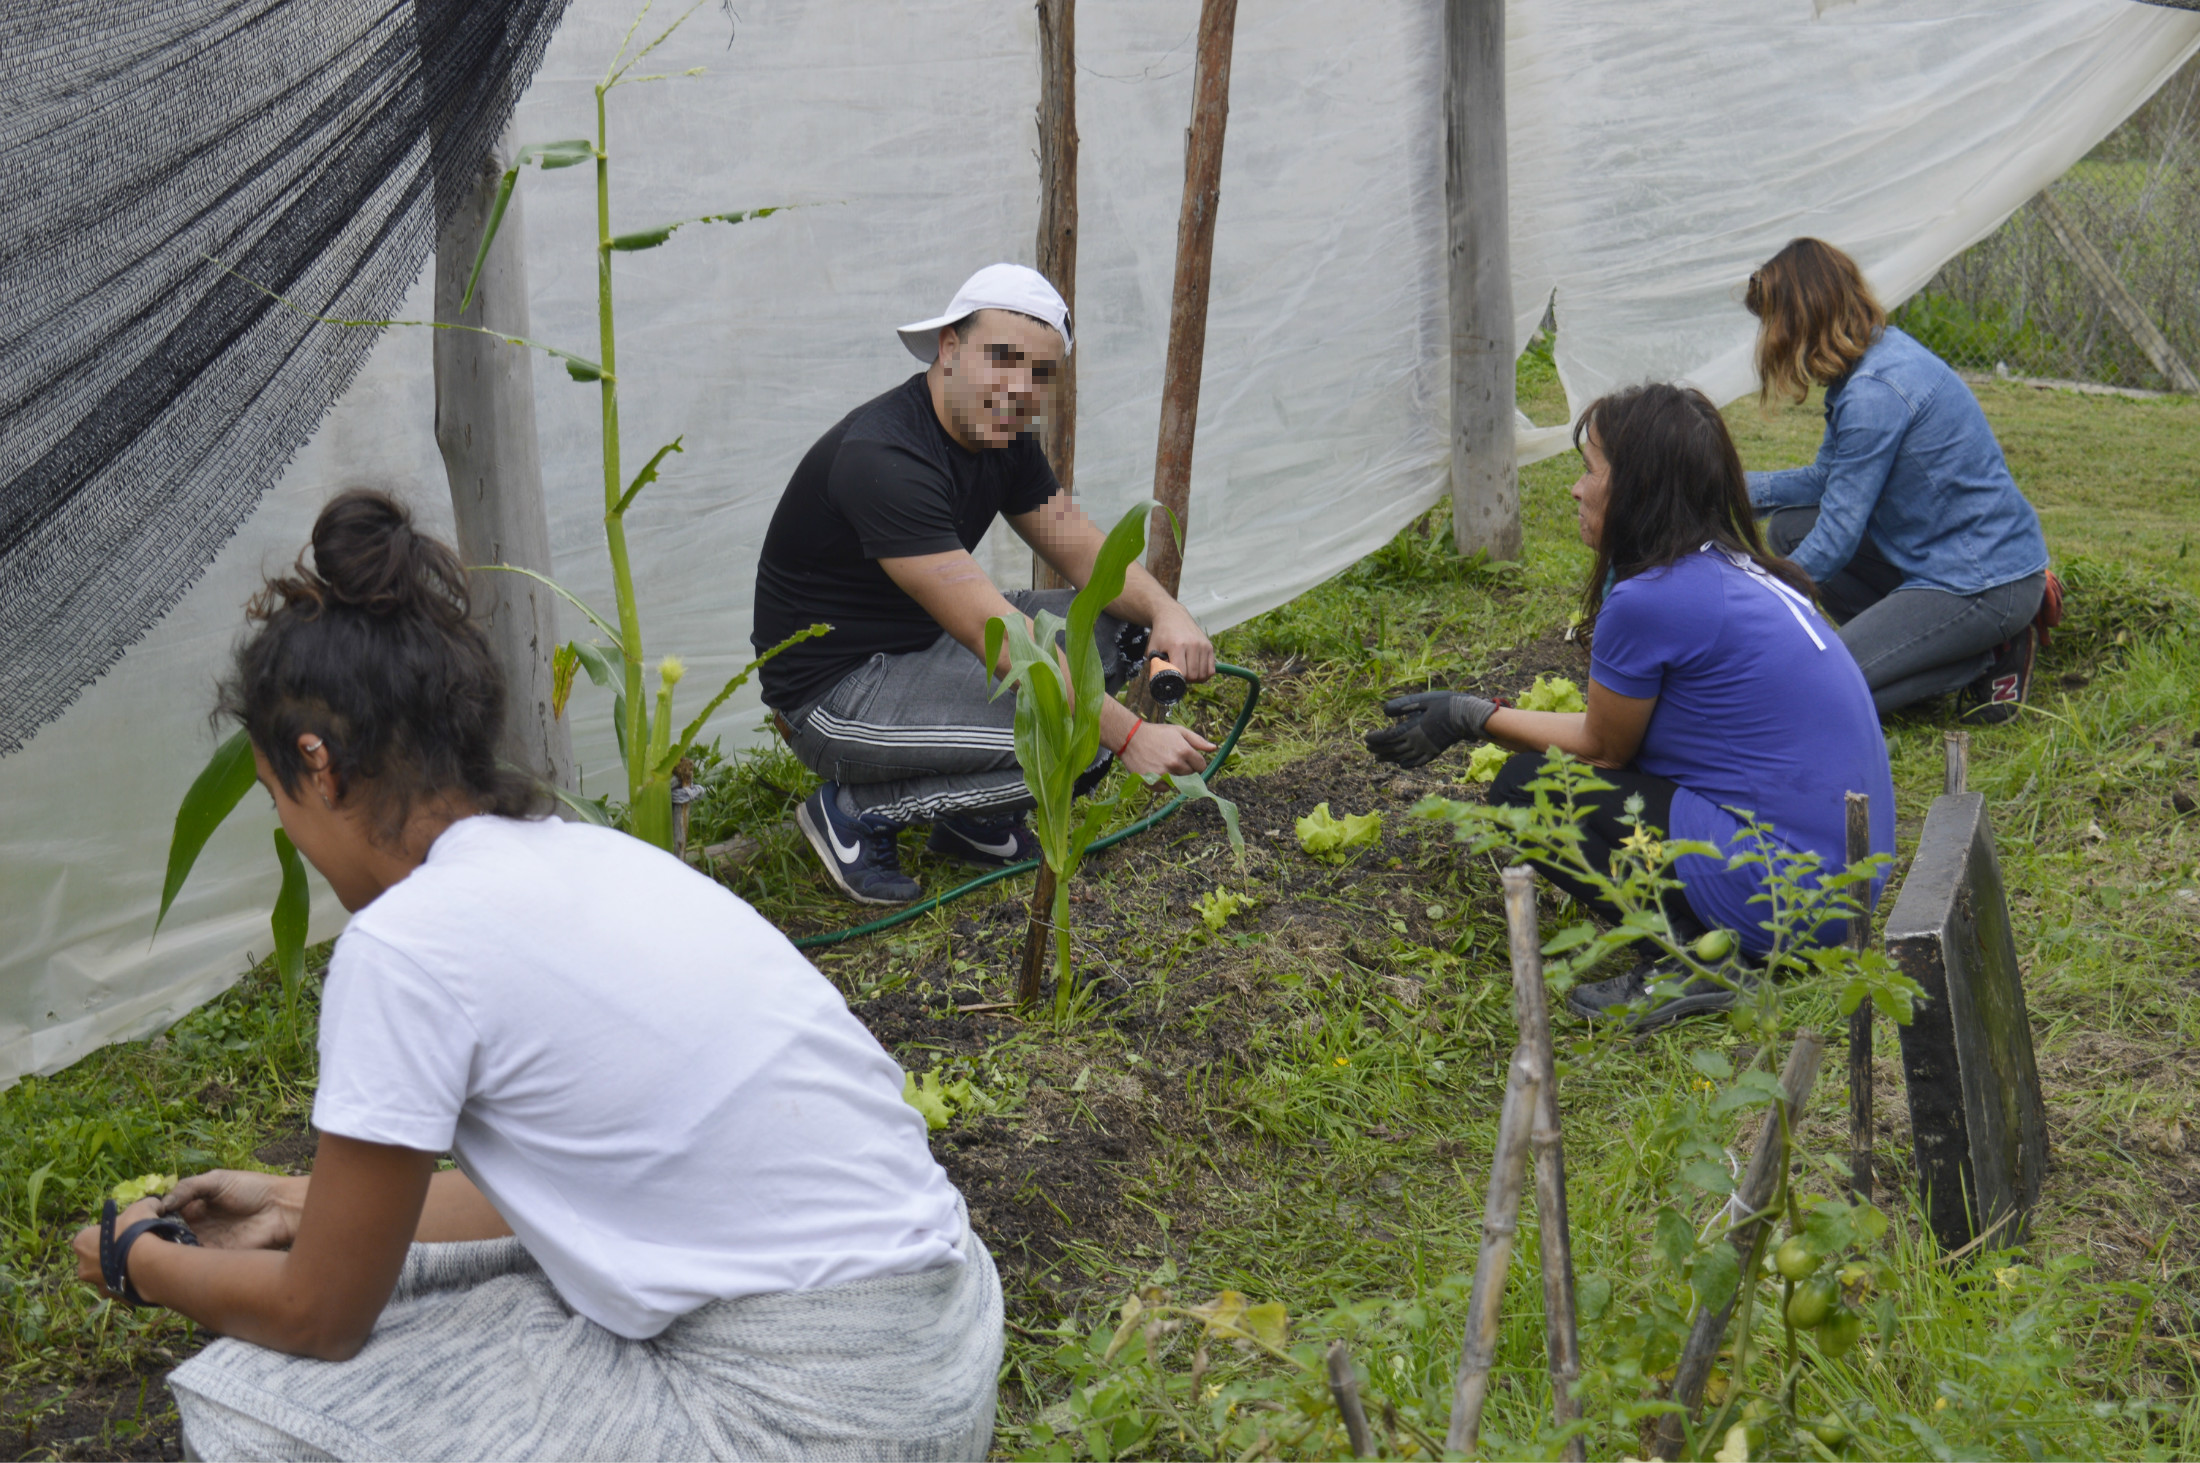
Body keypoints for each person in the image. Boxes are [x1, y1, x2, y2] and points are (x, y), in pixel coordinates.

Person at [75, 492, 1002, 1461]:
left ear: (318, 764)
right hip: (938, 1346)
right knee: (497, 1262)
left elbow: (320, 1315)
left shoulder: (406, 943)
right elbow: (589, 1189)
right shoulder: (594, 858)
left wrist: (142, 1262)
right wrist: (291, 1201)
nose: (295, 835)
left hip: (812, 1417)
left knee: (252, 1405)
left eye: (280, 801)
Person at [1366, 383, 1895, 1031]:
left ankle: (1695, 960)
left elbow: (1603, 749)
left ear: (1639, 487)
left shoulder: (1653, 598)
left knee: (1528, 791)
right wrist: (1478, 713)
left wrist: (1471, 717)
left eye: (1590, 470)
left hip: (1791, 896)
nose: (1575, 490)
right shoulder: (1734, 569)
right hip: (1845, 890)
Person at [752, 263, 1217, 905]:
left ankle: (973, 820)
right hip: (836, 695)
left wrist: (1168, 612)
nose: (1020, 388)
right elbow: (991, 632)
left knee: (1123, 628)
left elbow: (1086, 554)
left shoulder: (1002, 438)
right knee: (1078, 745)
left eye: (1041, 372)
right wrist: (1130, 735)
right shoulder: (884, 459)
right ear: (949, 349)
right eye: (1003, 358)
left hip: (923, 645)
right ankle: (853, 812)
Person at [1743, 237, 2053, 723]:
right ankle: (1914, 650)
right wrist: (1731, 488)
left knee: (1818, 693)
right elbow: (1827, 479)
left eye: (1772, 323)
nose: (1769, 339)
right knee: (1790, 529)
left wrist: (1754, 602)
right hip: (1939, 557)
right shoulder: (1875, 355)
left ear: (1801, 319)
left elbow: (1836, 538)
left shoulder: (1874, 393)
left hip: (1982, 582)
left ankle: (1984, 655)